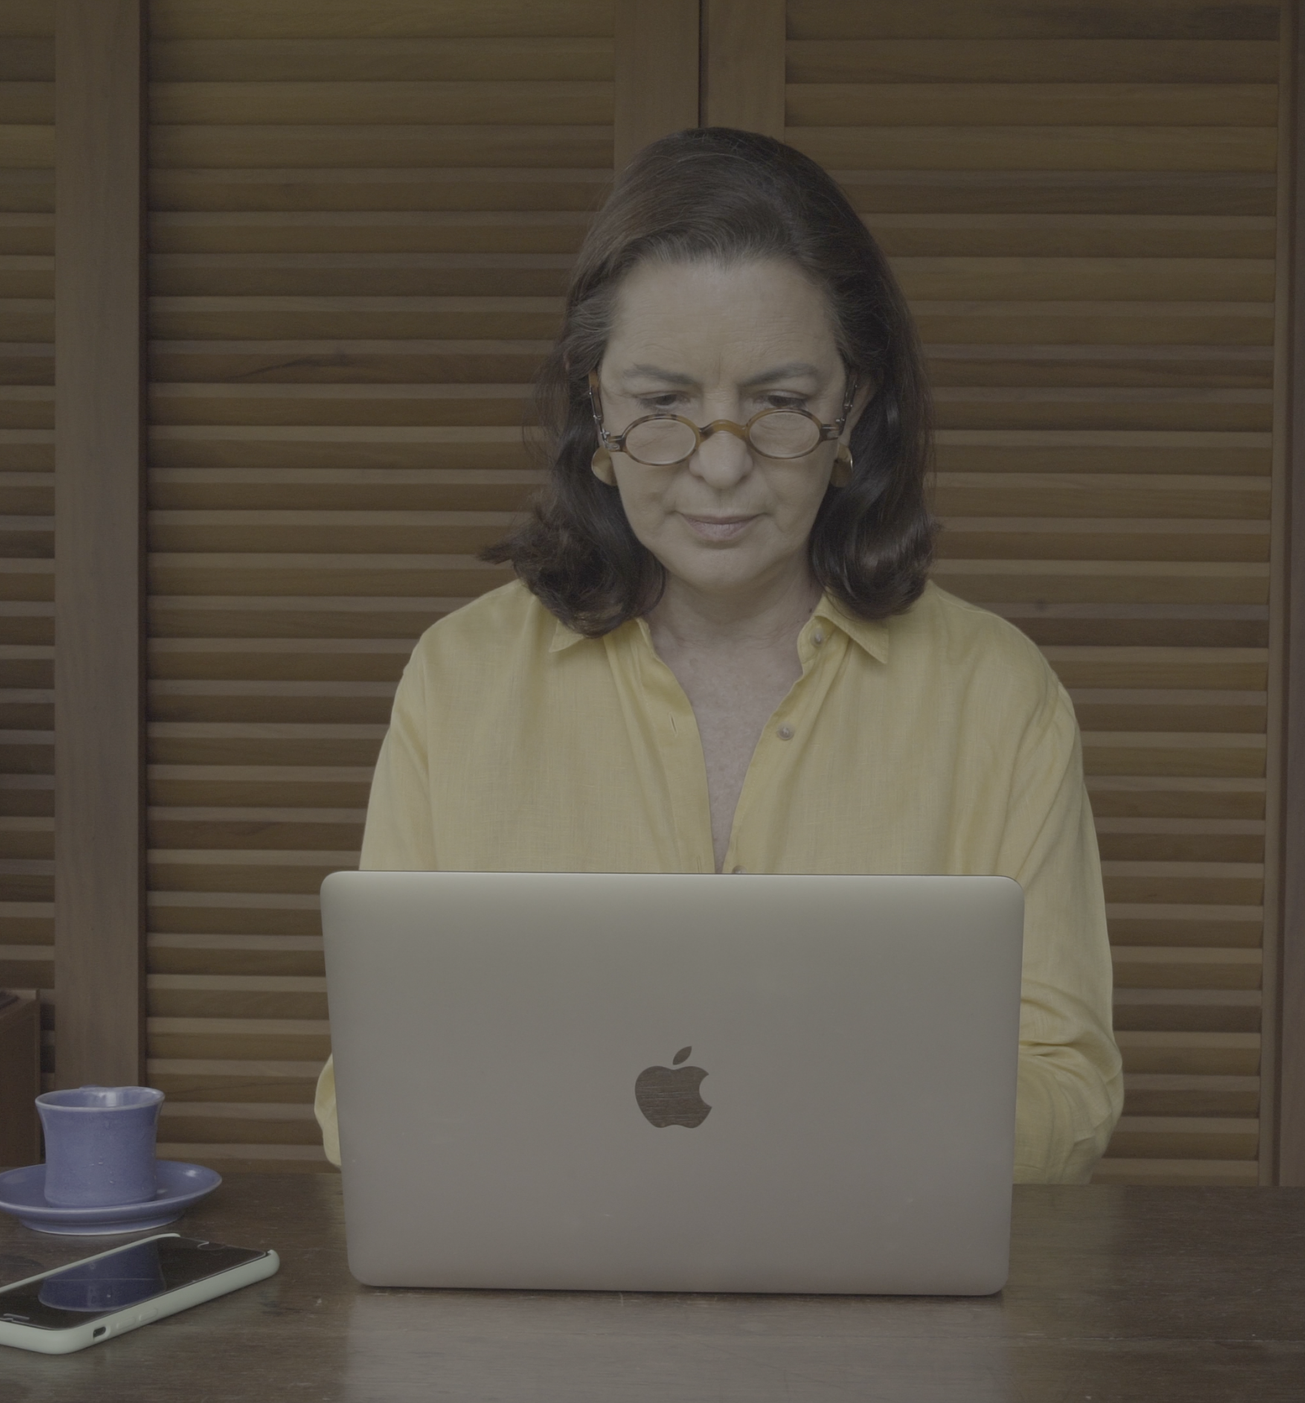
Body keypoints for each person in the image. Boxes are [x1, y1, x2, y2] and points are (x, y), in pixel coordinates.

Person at [314, 127, 1121, 1183]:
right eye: (663, 404)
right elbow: (366, 1089)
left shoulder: (998, 693)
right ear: (595, 405)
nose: (723, 464)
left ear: (854, 408)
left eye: (780, 402)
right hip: (536, 1307)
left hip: (879, 1314)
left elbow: (1066, 1089)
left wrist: (815, 1132)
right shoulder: (457, 678)